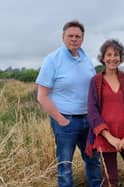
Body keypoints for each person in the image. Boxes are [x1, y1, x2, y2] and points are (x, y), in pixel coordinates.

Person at [36, 20, 102, 187]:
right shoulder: (52, 60)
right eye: (70, 36)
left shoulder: (85, 58)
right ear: (63, 37)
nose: (74, 39)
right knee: (65, 165)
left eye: (77, 36)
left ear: (82, 38)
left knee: (94, 161)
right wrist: (61, 120)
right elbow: (42, 96)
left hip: (89, 120)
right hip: (66, 121)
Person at [85, 39, 124, 187]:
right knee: (111, 180)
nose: (112, 58)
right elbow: (92, 111)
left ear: (121, 57)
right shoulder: (95, 81)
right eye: (109, 54)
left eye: (116, 54)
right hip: (105, 137)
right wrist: (109, 137)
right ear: (103, 58)